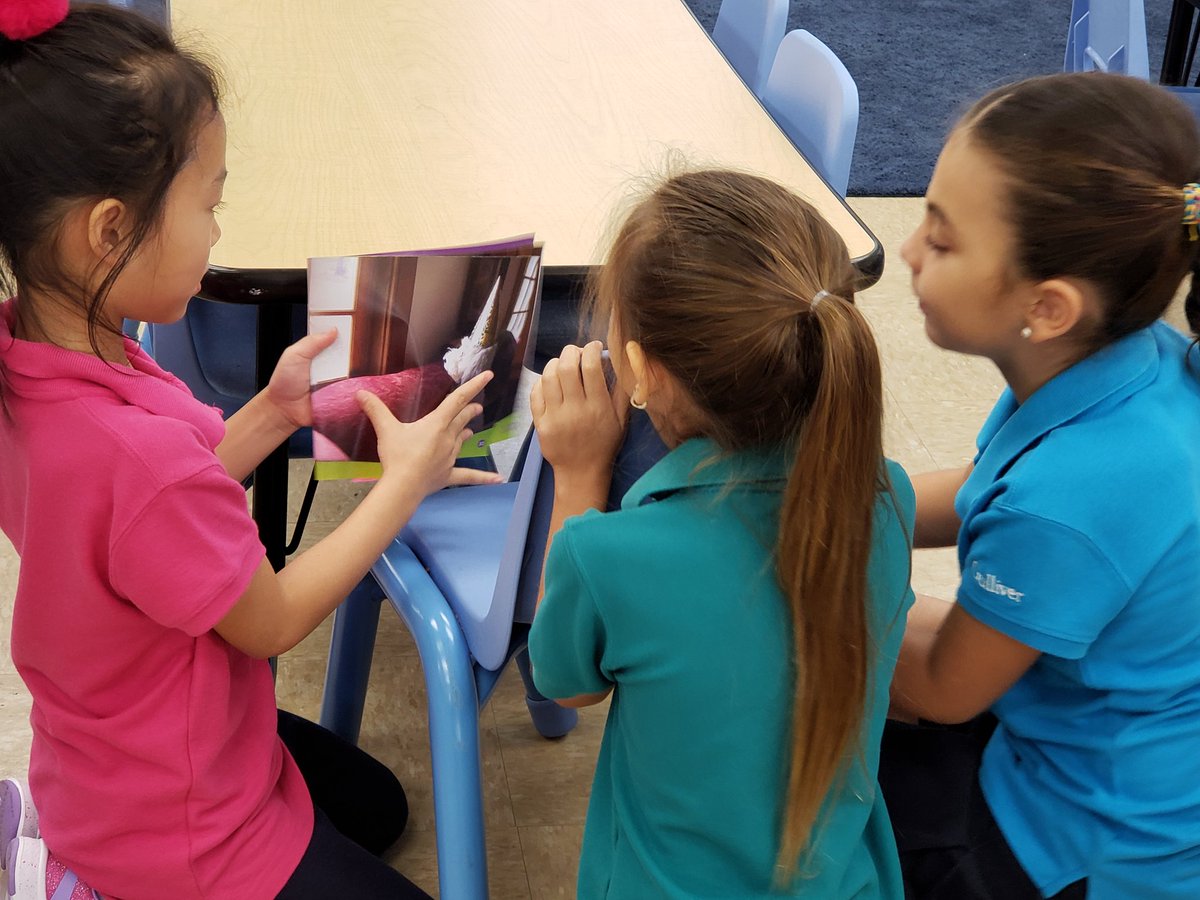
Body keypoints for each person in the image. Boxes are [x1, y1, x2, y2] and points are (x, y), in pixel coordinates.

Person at [0, 4, 500, 898]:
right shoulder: (134, 449)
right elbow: (269, 620)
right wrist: (404, 484)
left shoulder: (28, 359)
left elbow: (139, 522)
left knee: (377, 808)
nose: (219, 233)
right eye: (209, 204)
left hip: (114, 760)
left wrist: (270, 416)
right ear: (110, 230)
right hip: (191, 839)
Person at [526, 169, 916, 898]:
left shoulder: (606, 554)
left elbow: (562, 685)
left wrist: (578, 477)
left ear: (641, 372)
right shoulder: (887, 497)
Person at [886, 71, 1200, 899]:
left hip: (1088, 839)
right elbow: (991, 484)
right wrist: (855, 502)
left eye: (942, 239)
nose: (911, 250)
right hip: (1097, 735)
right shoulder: (1124, 361)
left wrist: (815, 564)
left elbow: (941, 689)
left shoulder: (1071, 498)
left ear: (1049, 307)